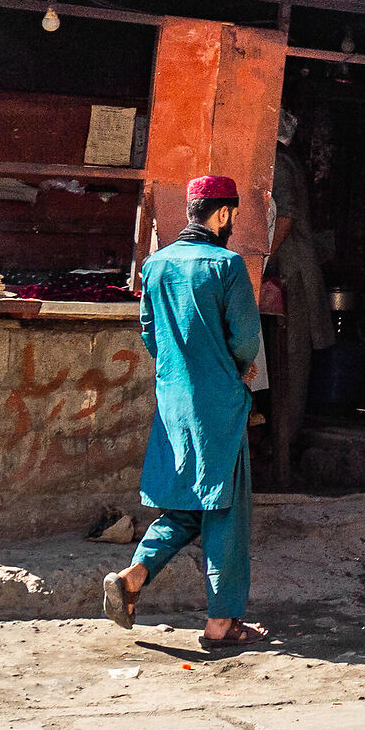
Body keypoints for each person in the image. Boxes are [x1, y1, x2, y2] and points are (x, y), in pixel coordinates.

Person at [103, 175, 268, 648]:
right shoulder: (228, 265)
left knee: (183, 508)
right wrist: (238, 368)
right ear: (220, 215)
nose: (233, 224)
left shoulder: (156, 265)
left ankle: (134, 576)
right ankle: (221, 622)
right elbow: (245, 339)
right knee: (225, 511)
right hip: (217, 404)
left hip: (173, 403)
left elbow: (150, 335)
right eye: (232, 216)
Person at [268, 111, 328, 485]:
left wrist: (263, 262)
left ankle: (284, 457)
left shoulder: (277, 166)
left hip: (293, 273)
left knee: (290, 362)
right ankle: (279, 449)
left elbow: (285, 219)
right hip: (287, 271)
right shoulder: (283, 163)